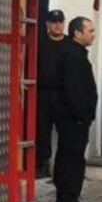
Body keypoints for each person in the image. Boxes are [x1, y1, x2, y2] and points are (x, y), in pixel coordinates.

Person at [52, 16, 98, 202]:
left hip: (70, 118)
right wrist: (82, 116)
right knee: (73, 161)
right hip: (73, 120)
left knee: (66, 157)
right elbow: (73, 90)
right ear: (77, 33)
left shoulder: (73, 53)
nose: (93, 35)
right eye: (90, 31)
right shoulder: (73, 55)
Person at [37, 9, 69, 178]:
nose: (58, 25)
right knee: (42, 129)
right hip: (44, 92)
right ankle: (43, 164)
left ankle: (63, 167)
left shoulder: (70, 44)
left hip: (64, 94)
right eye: (54, 22)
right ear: (47, 25)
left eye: (60, 22)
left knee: (66, 130)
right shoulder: (39, 43)